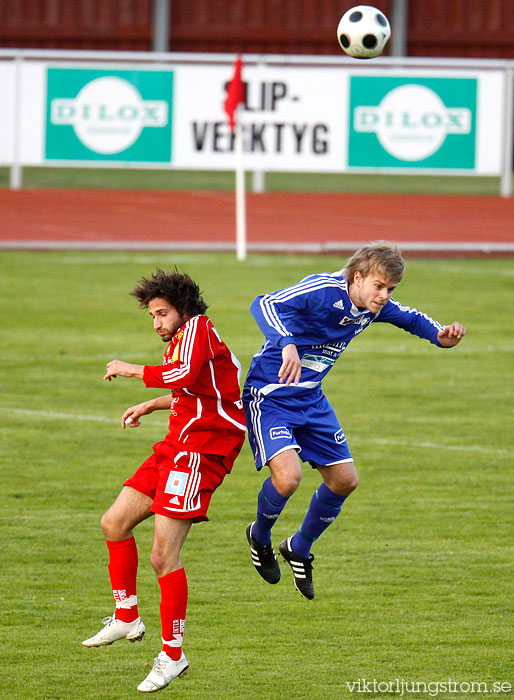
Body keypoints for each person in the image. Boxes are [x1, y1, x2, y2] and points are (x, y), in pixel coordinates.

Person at [243, 241, 466, 600]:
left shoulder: (373, 306)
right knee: (289, 478)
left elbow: (412, 319)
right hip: (270, 395)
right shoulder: (323, 289)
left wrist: (441, 337)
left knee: (345, 481)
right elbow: (263, 303)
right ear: (357, 277)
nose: (384, 296)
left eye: (390, 289)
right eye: (379, 287)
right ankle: (260, 536)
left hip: (311, 397)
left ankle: (299, 547)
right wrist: (285, 342)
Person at [82, 269, 246, 693]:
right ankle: (126, 616)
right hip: (176, 444)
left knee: (162, 557)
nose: (156, 323)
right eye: (152, 315)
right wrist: (152, 405)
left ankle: (173, 656)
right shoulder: (185, 338)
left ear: (183, 310)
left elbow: (182, 377)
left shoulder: (199, 329)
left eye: (161, 313)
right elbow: (191, 389)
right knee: (114, 522)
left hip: (201, 452)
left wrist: (130, 369)